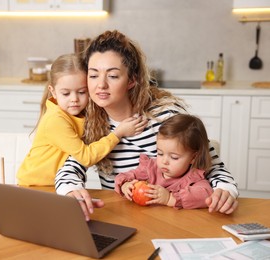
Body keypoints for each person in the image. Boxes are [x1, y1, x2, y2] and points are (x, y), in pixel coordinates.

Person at [54, 30, 238, 221]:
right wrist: (71, 191)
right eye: (93, 75)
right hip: (122, 218)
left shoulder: (165, 117)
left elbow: (213, 166)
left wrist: (225, 189)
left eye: (113, 76)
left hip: (174, 219)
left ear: (132, 80)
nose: (101, 85)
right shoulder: (91, 123)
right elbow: (70, 169)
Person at [16, 54, 147, 186]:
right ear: (53, 91)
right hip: (35, 187)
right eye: (66, 93)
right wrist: (118, 133)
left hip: (55, 187)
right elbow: (86, 157)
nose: (74, 99)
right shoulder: (55, 120)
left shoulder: (81, 114)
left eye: (82, 92)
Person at [115, 114, 213, 209]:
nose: (164, 161)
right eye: (160, 153)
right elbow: (124, 176)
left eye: (174, 157)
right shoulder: (150, 168)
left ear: (193, 158)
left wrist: (169, 198)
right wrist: (125, 185)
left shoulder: (193, 178)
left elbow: (206, 195)